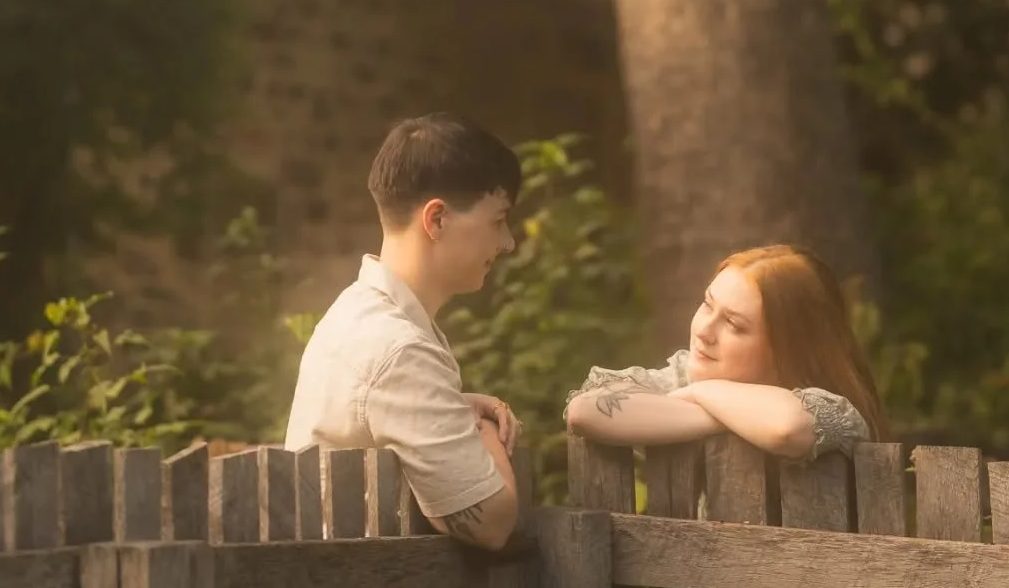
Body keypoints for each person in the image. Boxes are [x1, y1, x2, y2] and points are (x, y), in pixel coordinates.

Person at [285, 113, 524, 551]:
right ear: (436, 220)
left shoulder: (360, 314)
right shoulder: (399, 349)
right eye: (497, 221)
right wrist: (485, 431)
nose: (507, 242)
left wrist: (455, 406)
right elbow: (492, 521)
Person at [565, 245, 884, 458]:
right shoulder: (685, 377)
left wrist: (704, 392)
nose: (704, 330)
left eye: (734, 324)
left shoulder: (837, 412)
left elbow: (787, 428)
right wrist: (715, 408)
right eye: (707, 304)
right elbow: (585, 411)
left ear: (786, 348)